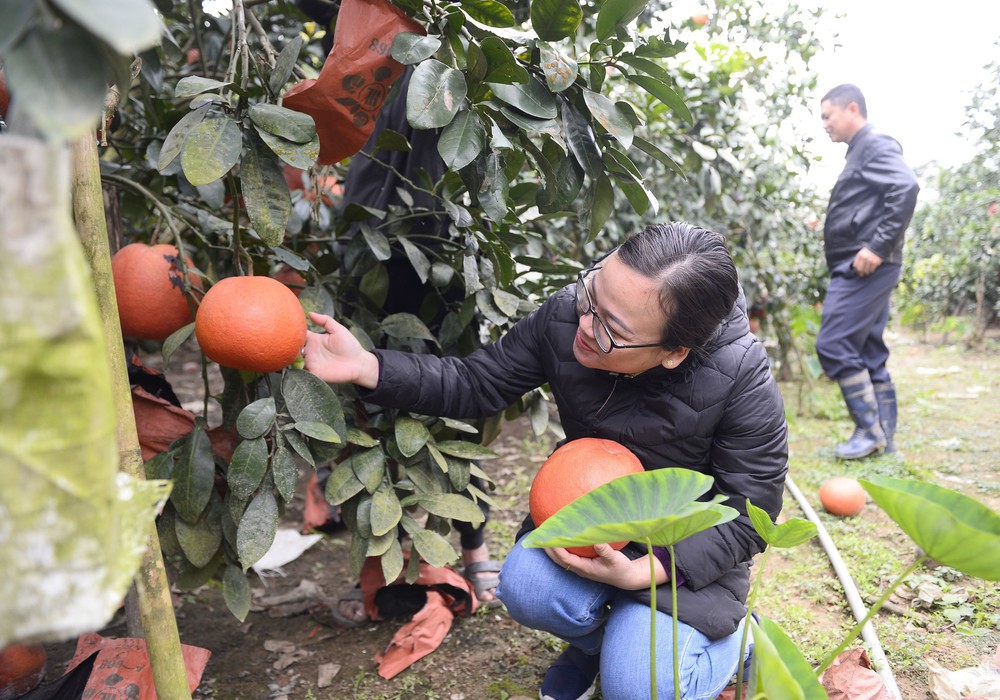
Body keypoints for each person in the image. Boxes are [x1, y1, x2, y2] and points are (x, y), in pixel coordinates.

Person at [303, 222, 788, 699]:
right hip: (591, 523)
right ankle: (601, 644)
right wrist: (369, 366)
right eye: (591, 294)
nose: (583, 325)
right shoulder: (572, 314)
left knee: (640, 690)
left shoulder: (739, 374)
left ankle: (740, 643)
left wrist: (651, 569)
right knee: (527, 588)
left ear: (673, 352)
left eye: (610, 331)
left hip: (682, 554)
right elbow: (478, 382)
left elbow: (752, 510)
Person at [816, 84, 920, 459]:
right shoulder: (861, 150)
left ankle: (868, 430)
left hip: (864, 267)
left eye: (827, 116)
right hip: (865, 265)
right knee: (868, 350)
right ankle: (883, 437)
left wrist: (877, 246)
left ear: (852, 109)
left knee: (833, 344)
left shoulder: (874, 143)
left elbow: (906, 187)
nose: (824, 124)